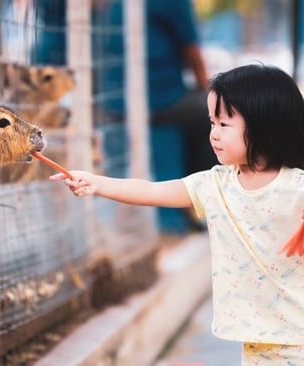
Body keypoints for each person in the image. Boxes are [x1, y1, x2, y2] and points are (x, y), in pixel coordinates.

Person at [50, 64, 304, 364]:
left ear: (265, 126)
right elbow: (151, 191)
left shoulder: (296, 185)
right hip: (256, 339)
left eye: (224, 125)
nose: (213, 134)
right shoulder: (214, 185)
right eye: (211, 123)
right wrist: (97, 183)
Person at [146, 0, 218, 234]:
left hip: (119, 102)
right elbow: (193, 52)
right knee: (216, 121)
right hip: (160, 99)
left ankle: (192, 206)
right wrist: (211, 95)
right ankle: (204, 203)